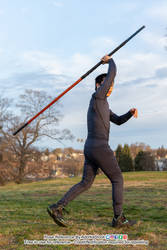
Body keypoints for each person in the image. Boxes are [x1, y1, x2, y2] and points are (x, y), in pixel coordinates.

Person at [47, 55, 138, 228]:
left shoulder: (103, 104)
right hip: (100, 147)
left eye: (111, 87)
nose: (110, 88)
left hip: (91, 147)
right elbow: (112, 74)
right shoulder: (98, 97)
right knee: (117, 178)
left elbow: (117, 120)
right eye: (107, 85)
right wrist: (110, 61)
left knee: (86, 183)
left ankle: (57, 207)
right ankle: (118, 218)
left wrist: (129, 113)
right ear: (99, 85)